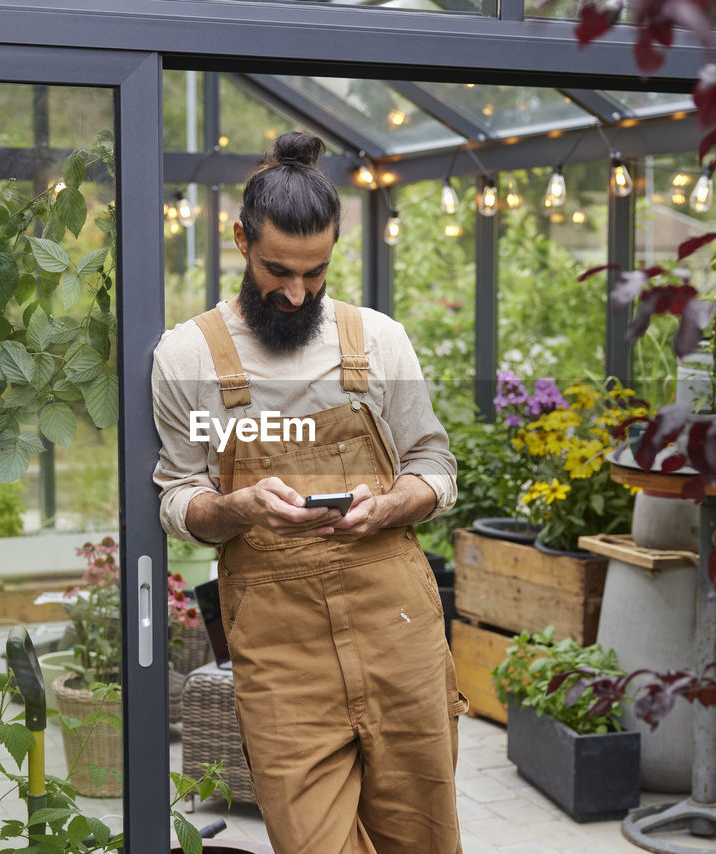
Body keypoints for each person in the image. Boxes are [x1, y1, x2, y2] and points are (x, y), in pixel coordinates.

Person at [152, 131, 465, 853]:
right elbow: (178, 499)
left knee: (424, 839)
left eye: (315, 272)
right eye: (277, 271)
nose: (296, 293)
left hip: (397, 629)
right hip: (280, 649)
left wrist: (392, 504)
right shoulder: (191, 356)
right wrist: (238, 507)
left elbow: (434, 463)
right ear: (240, 240)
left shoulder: (377, 341)